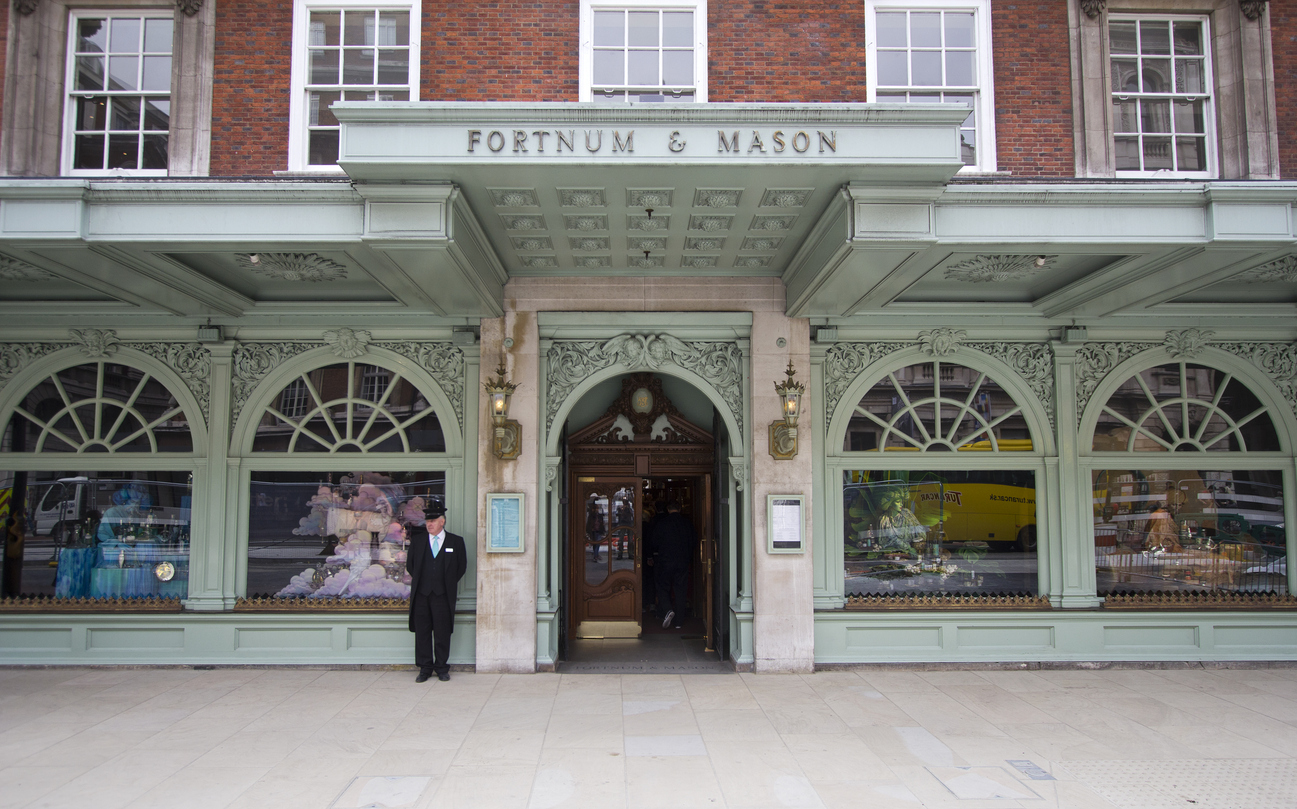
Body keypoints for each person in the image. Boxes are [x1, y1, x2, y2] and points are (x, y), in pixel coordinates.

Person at [406, 499, 467, 682]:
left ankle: (441, 667)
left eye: (433, 521)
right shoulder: (417, 541)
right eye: (427, 521)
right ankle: (425, 668)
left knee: (442, 632)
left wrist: (445, 583)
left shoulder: (455, 542)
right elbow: (411, 566)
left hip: (443, 595)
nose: (429, 524)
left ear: (442, 521)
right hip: (422, 595)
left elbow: (461, 567)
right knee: (422, 632)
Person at [651, 501, 695, 630]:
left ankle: (667, 609)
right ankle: (679, 622)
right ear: (680, 508)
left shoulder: (662, 524)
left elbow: (654, 542)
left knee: (662, 587)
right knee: (680, 590)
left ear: (668, 509)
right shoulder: (687, 524)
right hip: (682, 561)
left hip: (665, 561)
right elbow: (694, 541)